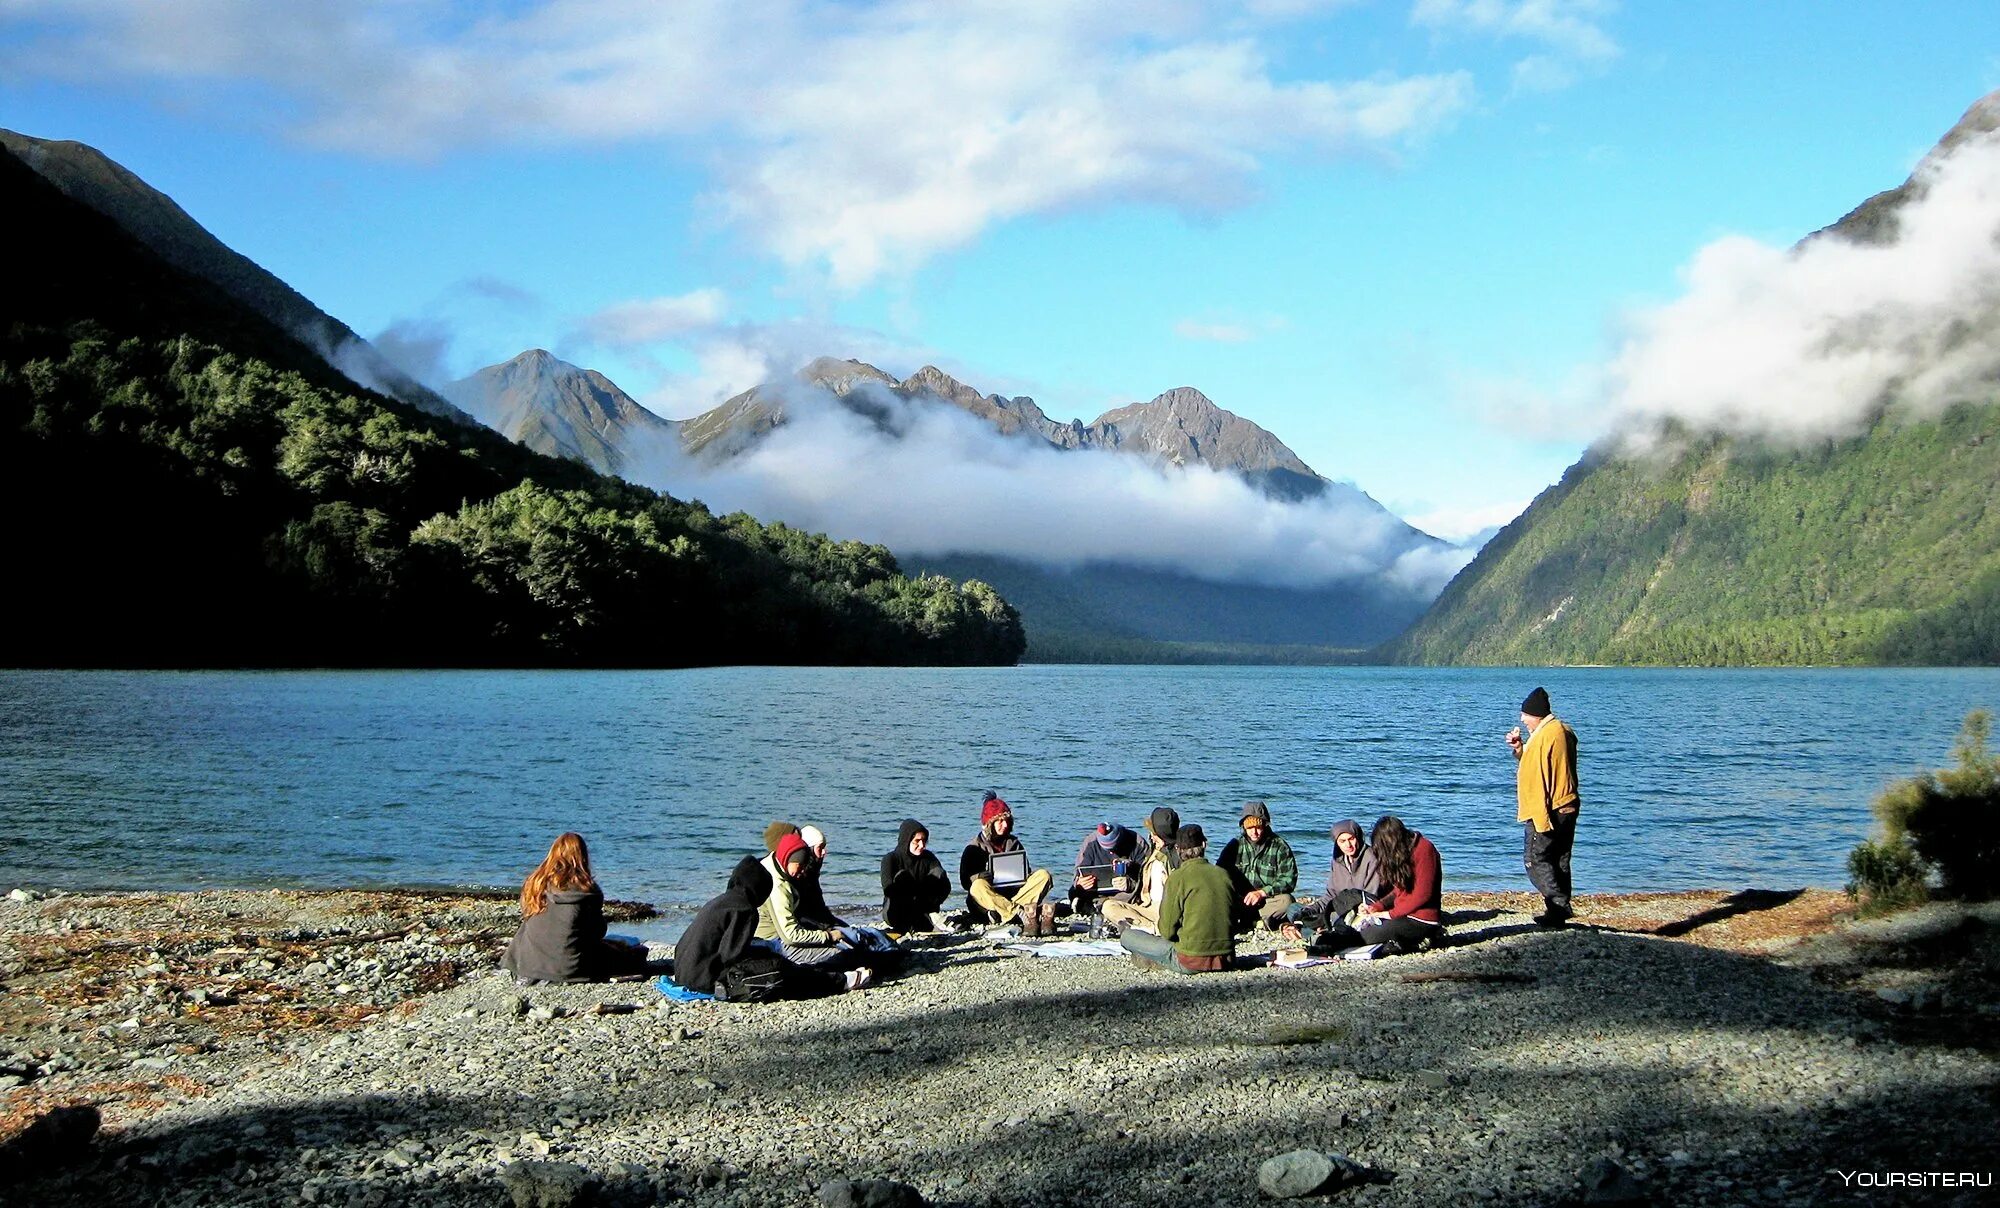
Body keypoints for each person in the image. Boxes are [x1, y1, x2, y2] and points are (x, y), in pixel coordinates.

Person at [673, 856, 868, 999]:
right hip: (706, 980)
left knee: (769, 956)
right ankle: (841, 981)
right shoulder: (745, 909)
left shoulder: (721, 901)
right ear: (759, 889)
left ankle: (832, 977)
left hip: (684, 972)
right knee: (779, 969)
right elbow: (730, 955)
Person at [501, 832, 649, 984]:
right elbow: (597, 931)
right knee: (636, 951)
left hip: (527, 964)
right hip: (571, 967)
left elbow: (528, 917)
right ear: (583, 857)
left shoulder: (534, 884)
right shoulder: (588, 890)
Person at [1298, 816, 1443, 955]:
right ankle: (1325, 940)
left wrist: (1388, 914)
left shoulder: (1424, 850)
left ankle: (1326, 943)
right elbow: (1398, 891)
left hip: (1420, 919)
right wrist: (1378, 906)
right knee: (1358, 927)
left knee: (1365, 936)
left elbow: (1423, 895)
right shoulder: (1405, 850)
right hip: (1402, 914)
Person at [1507, 686, 1580, 927]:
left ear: (1536, 714)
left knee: (1535, 859)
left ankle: (1558, 904)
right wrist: (1520, 748)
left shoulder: (1546, 737)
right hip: (1567, 804)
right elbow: (1547, 759)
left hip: (1549, 808)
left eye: (1525, 715)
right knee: (1559, 858)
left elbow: (1538, 777)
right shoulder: (1561, 731)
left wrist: (1540, 820)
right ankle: (1557, 914)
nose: (1522, 719)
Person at [1120, 824, 1234, 973]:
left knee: (1128, 937)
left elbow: (1167, 931)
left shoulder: (1178, 877)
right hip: (1226, 959)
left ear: (1178, 849)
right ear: (1204, 845)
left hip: (1191, 960)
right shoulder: (1223, 874)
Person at [758, 833, 873, 973]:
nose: (801, 872)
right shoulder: (778, 886)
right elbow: (790, 936)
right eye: (799, 866)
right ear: (788, 859)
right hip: (774, 943)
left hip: (774, 938)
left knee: (853, 942)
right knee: (842, 955)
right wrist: (827, 936)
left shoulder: (776, 868)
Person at [958, 790, 1055, 934]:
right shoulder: (974, 847)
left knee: (1043, 875)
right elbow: (965, 882)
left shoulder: (1014, 843)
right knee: (977, 886)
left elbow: (1026, 872)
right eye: (999, 821)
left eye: (1006, 821)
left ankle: (1011, 913)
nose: (1004, 825)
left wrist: (1025, 876)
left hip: (1014, 893)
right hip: (989, 899)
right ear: (989, 823)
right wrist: (979, 877)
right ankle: (1018, 913)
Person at [1280, 818, 1383, 943]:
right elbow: (1330, 896)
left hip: (1360, 913)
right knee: (1294, 909)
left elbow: (1370, 899)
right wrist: (1310, 910)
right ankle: (1311, 929)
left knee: (1332, 917)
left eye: (1351, 839)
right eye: (1342, 841)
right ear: (1337, 842)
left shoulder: (1371, 858)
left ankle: (1309, 931)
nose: (1348, 845)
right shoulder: (1338, 861)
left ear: (1358, 837)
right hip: (1337, 908)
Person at [1217, 800, 1299, 932]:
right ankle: (1256, 922)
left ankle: (1254, 921)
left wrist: (1262, 893)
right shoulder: (1234, 845)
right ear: (1244, 827)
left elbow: (1289, 880)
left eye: (1258, 827)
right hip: (1239, 900)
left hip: (1266, 900)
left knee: (1287, 901)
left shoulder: (1279, 846)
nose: (1254, 832)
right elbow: (1219, 873)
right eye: (1250, 828)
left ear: (1265, 826)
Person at [1101, 807, 1179, 935]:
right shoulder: (1154, 852)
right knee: (1109, 906)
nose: (1151, 838)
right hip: (1147, 906)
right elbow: (1144, 882)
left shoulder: (1174, 856)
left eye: (1153, 834)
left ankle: (1152, 929)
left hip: (1165, 911)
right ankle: (1147, 928)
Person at [880, 818, 954, 933]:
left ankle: (926, 919)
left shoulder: (929, 858)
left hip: (924, 907)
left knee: (938, 873)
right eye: (917, 841)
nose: (922, 845)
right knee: (903, 877)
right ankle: (911, 922)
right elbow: (888, 889)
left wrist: (932, 899)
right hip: (896, 911)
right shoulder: (890, 859)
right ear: (907, 840)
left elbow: (945, 885)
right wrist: (914, 889)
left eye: (924, 840)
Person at [1067, 822, 1142, 916]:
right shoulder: (1090, 842)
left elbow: (1148, 876)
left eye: (1114, 847)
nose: (1111, 852)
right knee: (1074, 891)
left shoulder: (1137, 842)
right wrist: (1080, 882)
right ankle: (1096, 907)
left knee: (1135, 895)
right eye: (1106, 849)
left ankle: (1101, 908)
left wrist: (1130, 883)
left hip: (1126, 892)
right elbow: (1079, 871)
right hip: (1096, 892)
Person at [793, 824, 848, 932]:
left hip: (817, 920)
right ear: (809, 850)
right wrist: (827, 928)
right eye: (820, 848)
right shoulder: (797, 876)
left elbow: (820, 907)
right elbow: (799, 913)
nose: (824, 852)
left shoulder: (812, 874)